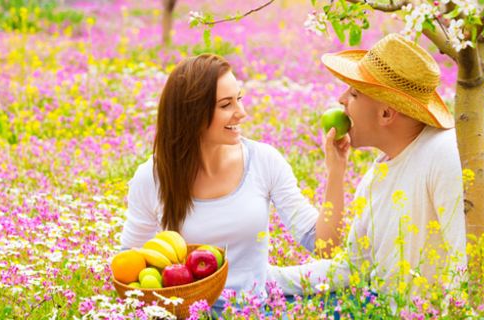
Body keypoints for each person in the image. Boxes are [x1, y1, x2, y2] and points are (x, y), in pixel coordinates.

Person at [119, 53, 350, 313]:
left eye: (239, 98)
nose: (241, 113)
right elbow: (129, 266)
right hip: (188, 314)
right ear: (192, 113)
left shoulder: (264, 160)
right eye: (226, 104)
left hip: (254, 310)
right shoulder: (152, 178)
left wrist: (336, 171)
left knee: (353, 279)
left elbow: (324, 244)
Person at [267, 33, 468, 298]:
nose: (341, 100)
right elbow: (351, 266)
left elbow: (467, 265)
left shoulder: (445, 153)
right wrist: (265, 278)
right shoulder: (378, 172)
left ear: (386, 113)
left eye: (353, 93)